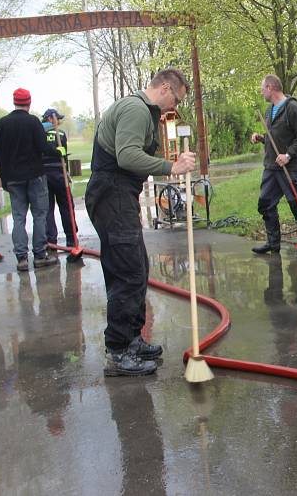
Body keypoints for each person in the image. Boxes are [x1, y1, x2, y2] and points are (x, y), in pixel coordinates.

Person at [85, 69, 196, 377]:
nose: (174, 107)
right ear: (164, 88)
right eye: (175, 98)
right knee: (128, 272)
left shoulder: (141, 112)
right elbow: (128, 156)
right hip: (112, 194)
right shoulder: (135, 109)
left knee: (137, 268)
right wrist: (171, 166)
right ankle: (119, 352)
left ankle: (132, 339)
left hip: (116, 195)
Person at [0, 88, 63, 272]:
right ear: (29, 102)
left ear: (14, 101)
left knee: (19, 217)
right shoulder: (33, 122)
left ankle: (21, 258)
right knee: (39, 215)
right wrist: (58, 152)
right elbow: (43, 146)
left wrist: (3, 177)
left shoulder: (3, 123)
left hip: (13, 178)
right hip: (35, 175)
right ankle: (40, 255)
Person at [250, 74, 297, 256]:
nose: (262, 92)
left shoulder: (292, 108)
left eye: (263, 88)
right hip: (271, 167)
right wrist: (262, 138)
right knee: (265, 204)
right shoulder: (270, 111)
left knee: (296, 205)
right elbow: (275, 137)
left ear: (270, 88)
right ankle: (273, 243)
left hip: (290, 168)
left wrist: (288, 155)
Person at [41, 108, 77, 248]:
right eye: (58, 119)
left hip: (44, 175)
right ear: (50, 119)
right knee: (67, 206)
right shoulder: (60, 133)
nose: (60, 122)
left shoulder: (38, 133)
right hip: (58, 173)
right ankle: (71, 238)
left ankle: (51, 240)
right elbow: (64, 156)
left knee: (48, 208)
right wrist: (67, 174)